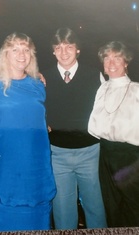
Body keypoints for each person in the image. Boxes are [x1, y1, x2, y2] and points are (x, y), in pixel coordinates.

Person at [0, 32, 56, 232]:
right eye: (14, 49)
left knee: (38, 216)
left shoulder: (37, 84)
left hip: (36, 165)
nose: (21, 54)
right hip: (7, 165)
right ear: (5, 54)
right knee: (5, 215)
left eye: (26, 50)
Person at [42, 27, 107, 229]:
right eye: (58, 47)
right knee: (62, 209)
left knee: (95, 206)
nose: (64, 52)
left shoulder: (95, 75)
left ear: (78, 49)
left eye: (69, 46)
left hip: (90, 152)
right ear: (53, 51)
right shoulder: (43, 77)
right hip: (57, 153)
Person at [88, 41, 139, 227]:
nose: (111, 62)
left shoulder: (136, 90)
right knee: (111, 206)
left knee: (134, 205)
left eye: (117, 58)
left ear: (126, 62)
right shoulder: (102, 88)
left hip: (130, 157)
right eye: (107, 58)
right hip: (105, 154)